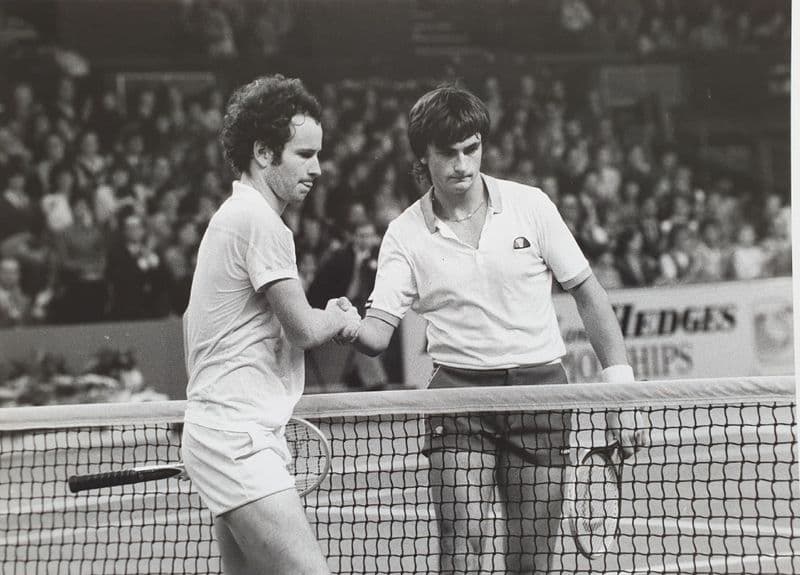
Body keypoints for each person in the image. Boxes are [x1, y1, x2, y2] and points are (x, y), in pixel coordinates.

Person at [344, 85, 642, 574]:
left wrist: (621, 396)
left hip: (540, 396)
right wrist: (341, 324)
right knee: (463, 547)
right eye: (448, 153)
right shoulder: (404, 233)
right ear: (424, 156)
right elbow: (377, 334)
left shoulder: (531, 205)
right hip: (459, 400)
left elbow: (590, 295)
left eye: (472, 148)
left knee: (531, 558)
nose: (462, 164)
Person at [181, 75, 359, 575]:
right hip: (237, 440)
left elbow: (189, 326)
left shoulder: (233, 216)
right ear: (264, 152)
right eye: (304, 155)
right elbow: (304, 329)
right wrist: (340, 316)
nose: (317, 169)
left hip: (228, 433)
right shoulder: (259, 221)